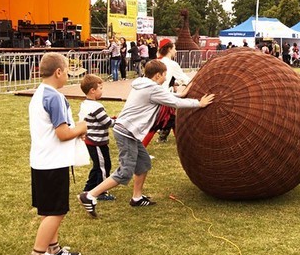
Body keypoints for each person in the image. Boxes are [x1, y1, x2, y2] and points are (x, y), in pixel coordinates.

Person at [77, 60, 214, 215]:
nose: (165, 78)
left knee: (143, 163)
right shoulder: (152, 88)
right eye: (164, 75)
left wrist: (181, 93)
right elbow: (174, 103)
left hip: (129, 132)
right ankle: (90, 195)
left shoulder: (143, 84)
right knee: (125, 172)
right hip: (126, 132)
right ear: (158, 75)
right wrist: (199, 103)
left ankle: (137, 197)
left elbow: (167, 96)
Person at [24, 52, 87, 255]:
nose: (69, 73)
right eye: (68, 69)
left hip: (41, 160)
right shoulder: (54, 97)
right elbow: (63, 133)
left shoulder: (39, 93)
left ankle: (54, 250)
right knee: (56, 212)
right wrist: (81, 126)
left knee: (48, 209)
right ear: (58, 72)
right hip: (52, 162)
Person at [79, 74, 116, 201]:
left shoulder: (85, 104)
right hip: (97, 142)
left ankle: (89, 187)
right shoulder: (97, 106)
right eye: (100, 88)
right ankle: (101, 191)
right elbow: (107, 122)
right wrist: (118, 122)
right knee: (104, 166)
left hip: (91, 141)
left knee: (97, 165)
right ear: (92, 90)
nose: (102, 91)